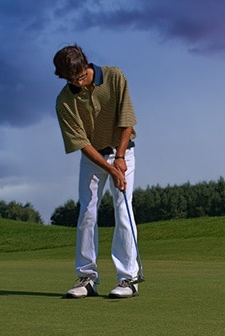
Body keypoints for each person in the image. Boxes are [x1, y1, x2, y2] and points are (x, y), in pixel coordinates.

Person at [53, 44, 140, 299]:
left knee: (123, 210)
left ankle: (128, 279)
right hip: (93, 157)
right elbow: (81, 143)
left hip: (124, 152)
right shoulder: (64, 100)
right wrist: (110, 169)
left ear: (86, 65)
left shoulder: (114, 76)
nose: (78, 83)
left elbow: (127, 120)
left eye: (80, 76)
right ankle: (87, 278)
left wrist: (120, 158)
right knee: (87, 212)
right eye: (72, 79)